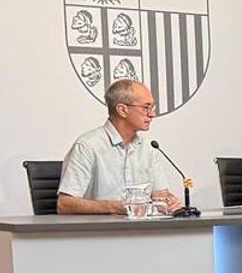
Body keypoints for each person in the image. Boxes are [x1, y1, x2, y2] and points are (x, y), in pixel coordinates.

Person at [56, 79, 177, 215]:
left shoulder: (149, 148)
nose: (152, 114)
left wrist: (168, 201)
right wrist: (117, 207)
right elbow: (64, 204)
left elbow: (160, 194)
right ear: (122, 110)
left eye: (152, 108)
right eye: (146, 108)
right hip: (100, 227)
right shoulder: (87, 146)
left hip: (141, 227)